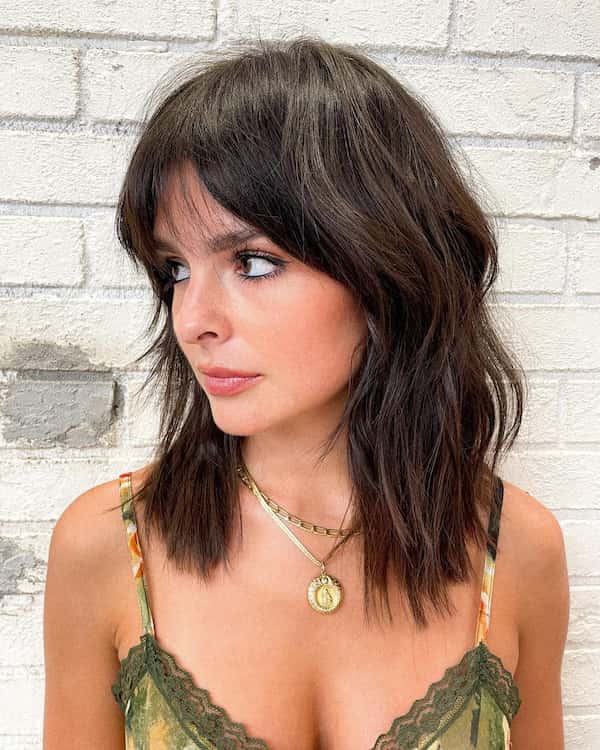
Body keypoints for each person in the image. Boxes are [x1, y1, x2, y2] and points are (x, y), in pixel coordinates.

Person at [42, 36, 569, 749]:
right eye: (175, 269)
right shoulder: (108, 544)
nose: (192, 320)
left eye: (254, 263)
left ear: (385, 267)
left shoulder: (517, 550)